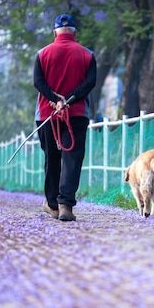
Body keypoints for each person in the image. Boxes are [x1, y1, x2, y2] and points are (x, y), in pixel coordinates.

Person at [33, 14, 97, 221]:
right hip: (76, 114)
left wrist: (55, 99)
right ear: (75, 33)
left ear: (54, 33)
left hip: (46, 114)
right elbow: (90, 83)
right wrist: (69, 100)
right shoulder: (87, 55)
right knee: (72, 158)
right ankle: (65, 205)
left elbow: (38, 83)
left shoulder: (42, 54)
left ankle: (51, 203)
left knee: (51, 157)